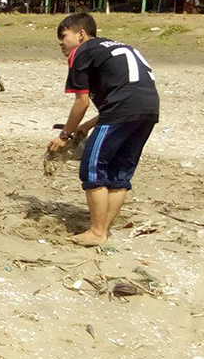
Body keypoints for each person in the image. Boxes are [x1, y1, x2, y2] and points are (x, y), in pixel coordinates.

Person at [48, 12, 159, 246]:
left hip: (122, 110)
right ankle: (102, 230)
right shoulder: (112, 47)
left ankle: (97, 232)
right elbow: (126, 94)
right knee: (119, 173)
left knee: (92, 168)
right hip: (148, 109)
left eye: (63, 35)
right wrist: (86, 126)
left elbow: (82, 102)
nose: (60, 42)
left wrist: (64, 135)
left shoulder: (82, 52)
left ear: (81, 34)